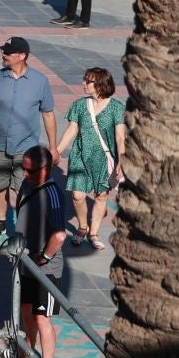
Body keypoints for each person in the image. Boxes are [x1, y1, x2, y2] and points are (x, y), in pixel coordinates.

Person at [0, 37, 57, 239]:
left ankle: (22, 224)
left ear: (22, 56)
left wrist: (53, 146)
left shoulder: (40, 81)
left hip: (27, 147)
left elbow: (48, 114)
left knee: (24, 187)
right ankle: (2, 222)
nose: (2, 54)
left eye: (7, 52)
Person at [10, 146, 67, 358]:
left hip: (47, 270)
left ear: (45, 169)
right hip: (26, 264)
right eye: (23, 168)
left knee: (42, 318)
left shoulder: (52, 194)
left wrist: (43, 257)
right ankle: (26, 352)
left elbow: (60, 235)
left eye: (30, 170)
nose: (25, 174)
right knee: (25, 311)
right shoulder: (27, 186)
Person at [54, 67, 126, 250]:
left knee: (101, 196)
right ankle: (82, 227)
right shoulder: (80, 105)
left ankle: (93, 233)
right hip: (80, 155)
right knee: (78, 196)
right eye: (85, 80)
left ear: (101, 84)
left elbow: (119, 136)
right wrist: (56, 151)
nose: (83, 84)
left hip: (103, 158)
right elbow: (72, 130)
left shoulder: (116, 107)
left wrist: (122, 159)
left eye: (88, 81)